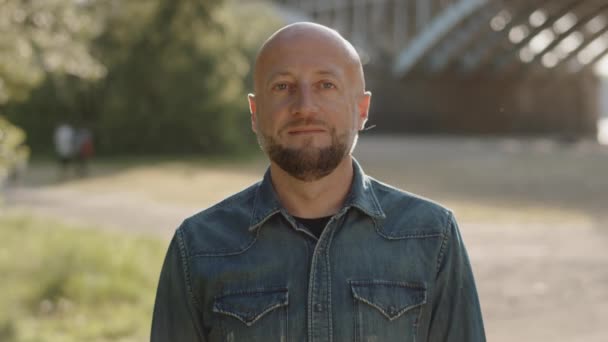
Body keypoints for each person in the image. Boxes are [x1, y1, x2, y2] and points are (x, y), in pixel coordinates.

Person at [151, 22, 486, 341]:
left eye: (326, 85)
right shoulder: (198, 248)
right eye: (282, 86)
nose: (305, 107)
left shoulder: (432, 236)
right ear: (255, 112)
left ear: (362, 108)